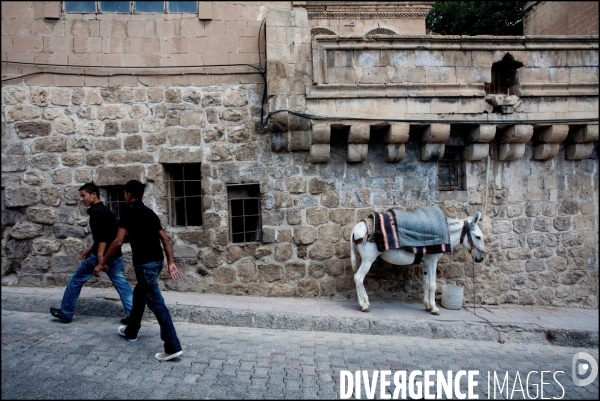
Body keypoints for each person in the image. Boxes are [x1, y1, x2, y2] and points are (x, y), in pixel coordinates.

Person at [93, 180, 183, 362]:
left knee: (157, 304)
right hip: (157, 262)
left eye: (124, 194)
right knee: (139, 294)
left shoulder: (128, 212)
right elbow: (165, 241)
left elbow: (118, 241)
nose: (124, 196)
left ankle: (172, 346)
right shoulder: (150, 213)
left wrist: (102, 262)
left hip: (145, 265)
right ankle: (131, 331)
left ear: (128, 194)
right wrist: (170, 262)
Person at [50, 183, 133, 324]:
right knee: (122, 285)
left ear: (93, 194)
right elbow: (106, 233)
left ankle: (66, 313)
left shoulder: (95, 212)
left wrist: (100, 259)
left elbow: (102, 237)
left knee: (76, 280)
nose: (82, 199)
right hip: (115, 255)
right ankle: (133, 317)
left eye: (83, 195)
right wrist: (90, 249)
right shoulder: (106, 210)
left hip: (101, 256)